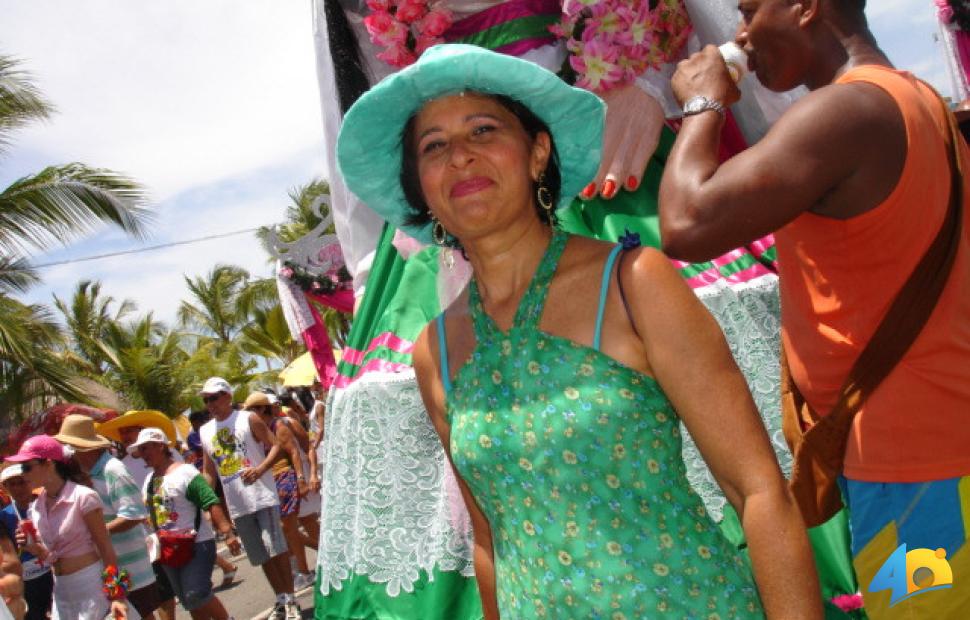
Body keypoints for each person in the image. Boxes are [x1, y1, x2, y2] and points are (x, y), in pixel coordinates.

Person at [335, 43, 822, 619]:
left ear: (538, 152)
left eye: (483, 130)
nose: (460, 157)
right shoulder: (435, 352)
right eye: (434, 146)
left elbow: (760, 492)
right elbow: (490, 541)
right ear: (420, 186)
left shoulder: (633, 283)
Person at [658, 1, 970, 617]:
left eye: (748, 9)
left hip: (910, 465)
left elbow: (686, 223)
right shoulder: (917, 98)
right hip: (932, 445)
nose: (742, 33)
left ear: (805, 7)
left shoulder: (841, 111)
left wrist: (700, 102)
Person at [197, 378, 300, 620]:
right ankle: (280, 598)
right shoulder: (205, 431)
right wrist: (205, 503)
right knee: (261, 555)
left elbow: (276, 446)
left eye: (214, 397)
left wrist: (261, 469)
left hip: (262, 496)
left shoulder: (247, 419)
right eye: (206, 400)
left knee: (276, 549)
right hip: (237, 503)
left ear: (227, 396)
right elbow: (209, 470)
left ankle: (291, 598)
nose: (210, 403)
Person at [4, 435, 128, 620]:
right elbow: (52, 556)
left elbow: (106, 549)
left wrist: (117, 595)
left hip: (90, 585)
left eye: (27, 467)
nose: (23, 474)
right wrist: (34, 548)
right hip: (61, 590)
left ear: (48, 464)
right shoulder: (37, 506)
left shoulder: (83, 497)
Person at [54, 415, 161, 619]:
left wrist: (98, 532)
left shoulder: (113, 470)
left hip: (131, 568)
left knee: (142, 615)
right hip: (111, 566)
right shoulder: (86, 474)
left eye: (70, 445)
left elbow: (134, 514)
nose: (68, 451)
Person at [128, 428, 238, 620]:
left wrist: (227, 533)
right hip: (168, 548)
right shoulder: (149, 480)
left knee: (197, 592)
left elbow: (210, 501)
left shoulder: (186, 472)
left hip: (196, 543)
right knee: (189, 601)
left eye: (146, 449)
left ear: (161, 446)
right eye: (141, 450)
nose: (143, 455)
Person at [97, 410, 182, 620]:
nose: (125, 435)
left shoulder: (167, 455)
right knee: (158, 593)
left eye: (129, 430)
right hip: (144, 537)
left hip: (173, 526)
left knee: (176, 588)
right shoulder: (120, 464)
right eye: (122, 432)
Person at [243, 393, 317, 591]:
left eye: (252, 410)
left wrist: (302, 478)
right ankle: (320, 557)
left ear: (261, 409)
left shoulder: (279, 425)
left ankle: (305, 572)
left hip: (284, 478)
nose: (249, 415)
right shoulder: (254, 430)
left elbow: (294, 452)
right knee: (285, 532)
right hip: (268, 483)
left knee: (290, 530)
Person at [0, 466, 44, 620]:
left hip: (53, 571)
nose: (18, 488)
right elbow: (9, 555)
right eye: (12, 484)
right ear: (5, 488)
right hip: (28, 580)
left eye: (22, 482)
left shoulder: (45, 504)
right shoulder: (4, 516)